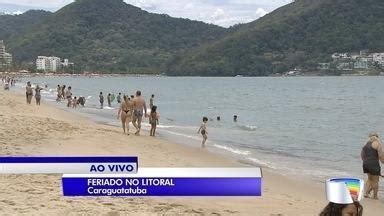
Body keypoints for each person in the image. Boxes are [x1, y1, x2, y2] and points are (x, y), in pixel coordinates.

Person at [361, 133, 384, 199]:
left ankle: (366, 193)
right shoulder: (377, 143)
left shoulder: (365, 144)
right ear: (377, 137)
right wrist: (383, 162)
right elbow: (380, 155)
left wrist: (365, 162)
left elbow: (362, 155)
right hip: (373, 164)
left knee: (370, 179)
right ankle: (375, 196)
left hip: (365, 164)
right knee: (376, 180)